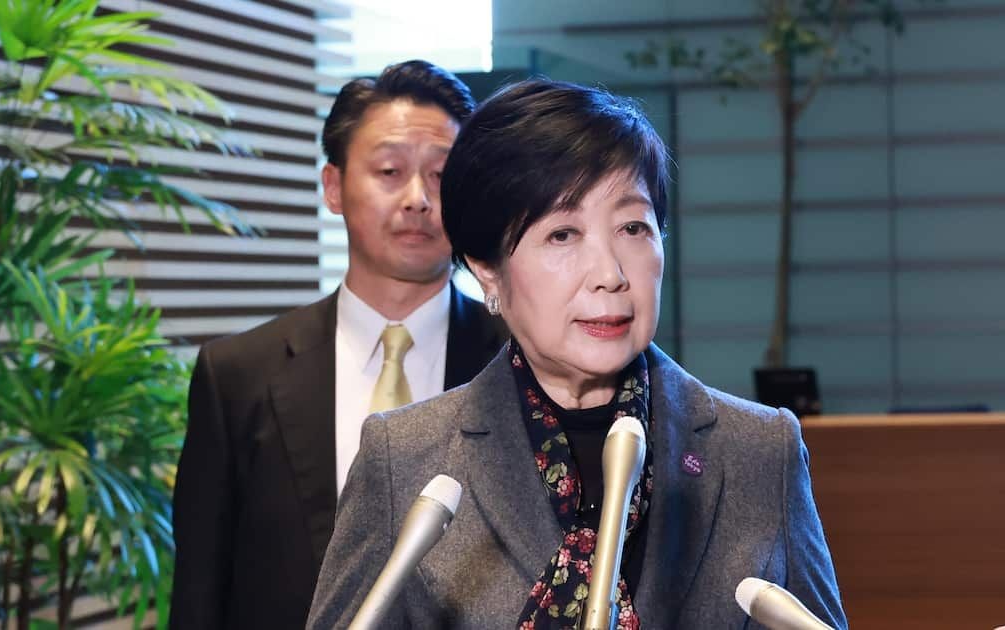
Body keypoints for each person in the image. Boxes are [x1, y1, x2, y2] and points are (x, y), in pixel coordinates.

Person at [306, 79, 847, 629]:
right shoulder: (403, 458)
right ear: (488, 268)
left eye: (632, 227)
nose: (610, 274)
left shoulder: (761, 450)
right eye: (563, 234)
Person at [170, 60, 506, 630]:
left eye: (441, 176)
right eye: (390, 171)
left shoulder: (520, 361)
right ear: (333, 187)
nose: (418, 198)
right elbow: (199, 596)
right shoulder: (237, 377)